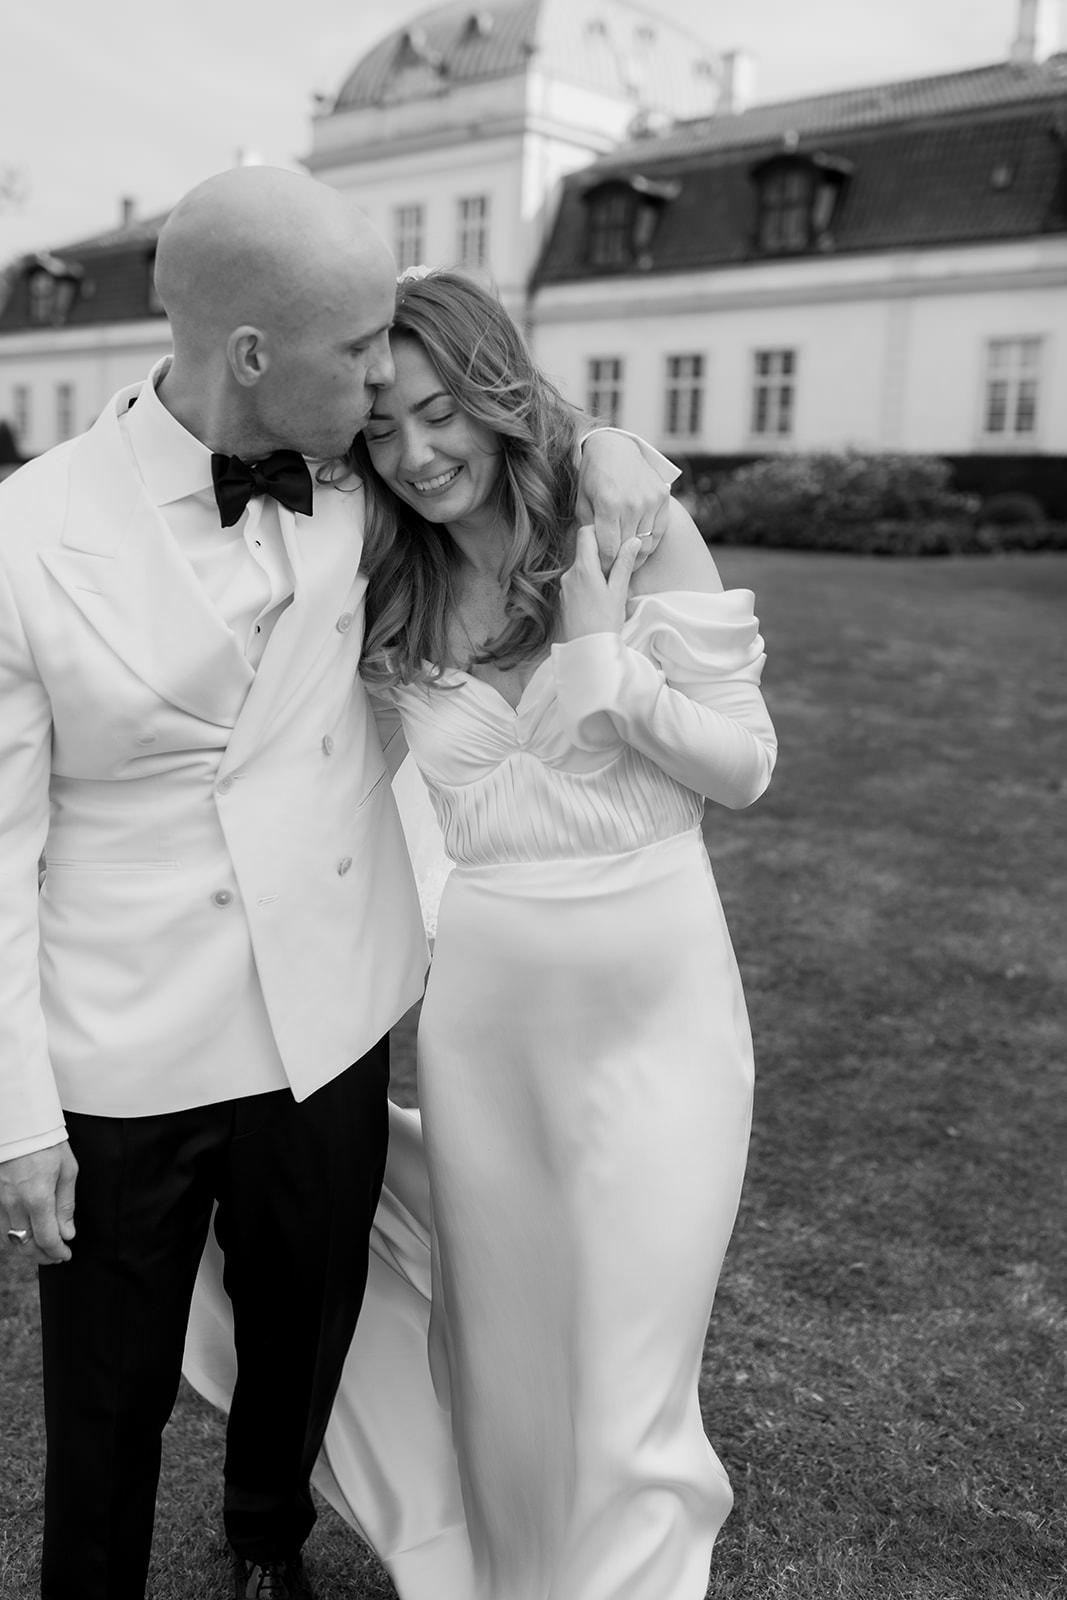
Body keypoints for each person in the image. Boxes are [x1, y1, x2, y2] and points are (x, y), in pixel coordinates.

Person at [0, 167, 677, 1600]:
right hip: (123, 1044)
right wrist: (15, 1112)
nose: (385, 378)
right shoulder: (23, 538)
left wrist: (612, 444)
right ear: (253, 356)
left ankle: (267, 1541)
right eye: (361, 346)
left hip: (333, 1011)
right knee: (105, 1394)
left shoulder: (362, 490)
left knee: (308, 1325)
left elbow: (505, 454)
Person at [348, 269, 777, 1599]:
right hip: (489, 1030)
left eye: (439, 414)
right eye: (379, 427)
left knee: (631, 1364)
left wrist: (612, 674)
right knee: (515, 1360)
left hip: (662, 1018)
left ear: (495, 389)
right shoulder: (376, 583)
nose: (416, 455)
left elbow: (748, 767)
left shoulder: (630, 528)